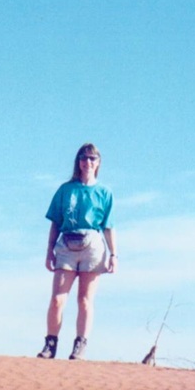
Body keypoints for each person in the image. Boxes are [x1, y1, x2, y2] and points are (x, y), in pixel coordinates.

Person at [38, 143, 117, 360]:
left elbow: (109, 226)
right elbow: (55, 222)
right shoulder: (65, 190)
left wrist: (113, 254)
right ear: (78, 161)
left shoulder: (104, 192)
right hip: (67, 244)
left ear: (98, 162)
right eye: (84, 158)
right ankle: (50, 343)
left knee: (85, 299)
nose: (88, 162)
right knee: (57, 298)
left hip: (92, 244)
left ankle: (80, 345)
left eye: (92, 158)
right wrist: (49, 251)